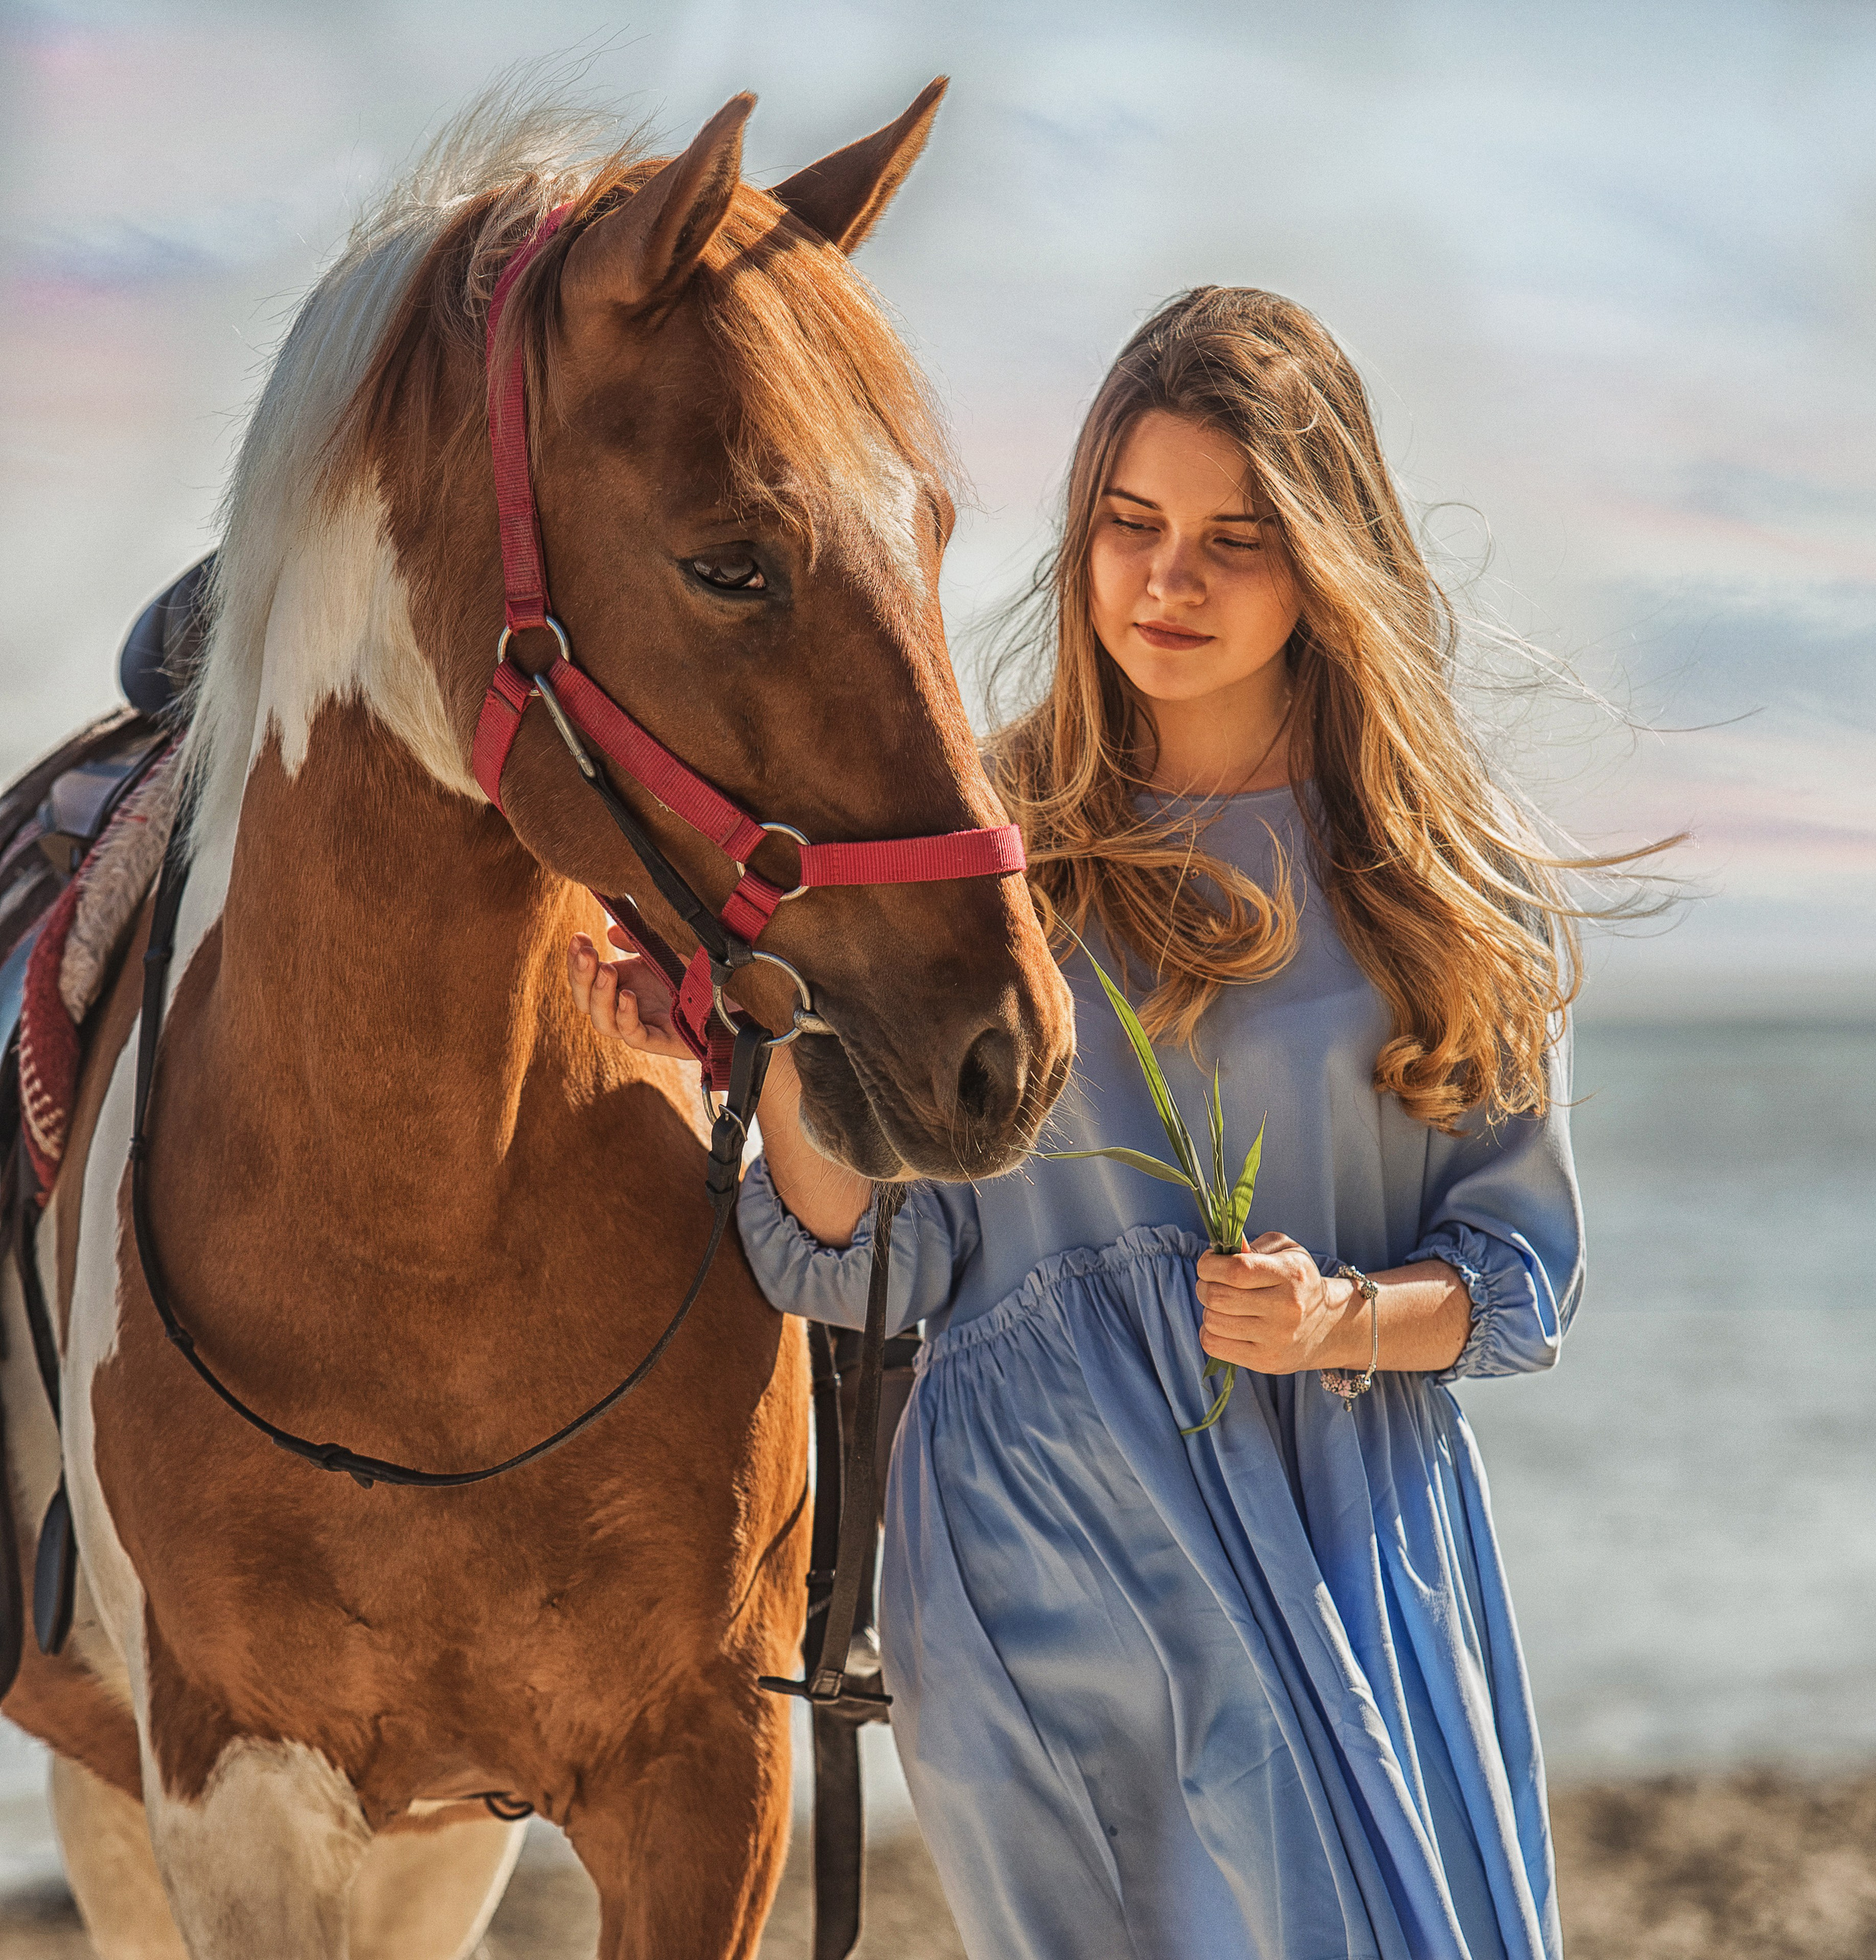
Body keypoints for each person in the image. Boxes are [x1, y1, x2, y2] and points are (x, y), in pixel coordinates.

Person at [570, 286, 1612, 1960]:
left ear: (1325, 555)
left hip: (1329, 1525)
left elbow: (1517, 1273)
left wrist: (1336, 1315)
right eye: (1127, 524)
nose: (1164, 580)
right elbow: (846, 1255)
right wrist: (772, 1016)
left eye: (1231, 539)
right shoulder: (975, 858)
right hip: (1021, 1552)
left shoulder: (1438, 881)